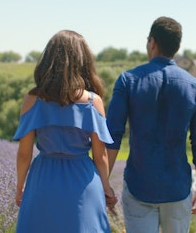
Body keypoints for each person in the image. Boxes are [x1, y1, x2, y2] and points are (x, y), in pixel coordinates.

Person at [106, 16, 196, 233]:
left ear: (152, 42)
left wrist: (103, 182)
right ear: (176, 47)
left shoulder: (127, 80)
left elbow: (112, 135)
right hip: (177, 189)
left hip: (139, 186)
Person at [13, 30, 118, 232]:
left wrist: (20, 187)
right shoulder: (92, 102)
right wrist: (107, 188)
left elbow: (24, 153)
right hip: (83, 181)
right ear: (83, 61)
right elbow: (100, 155)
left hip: (43, 179)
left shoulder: (32, 99)